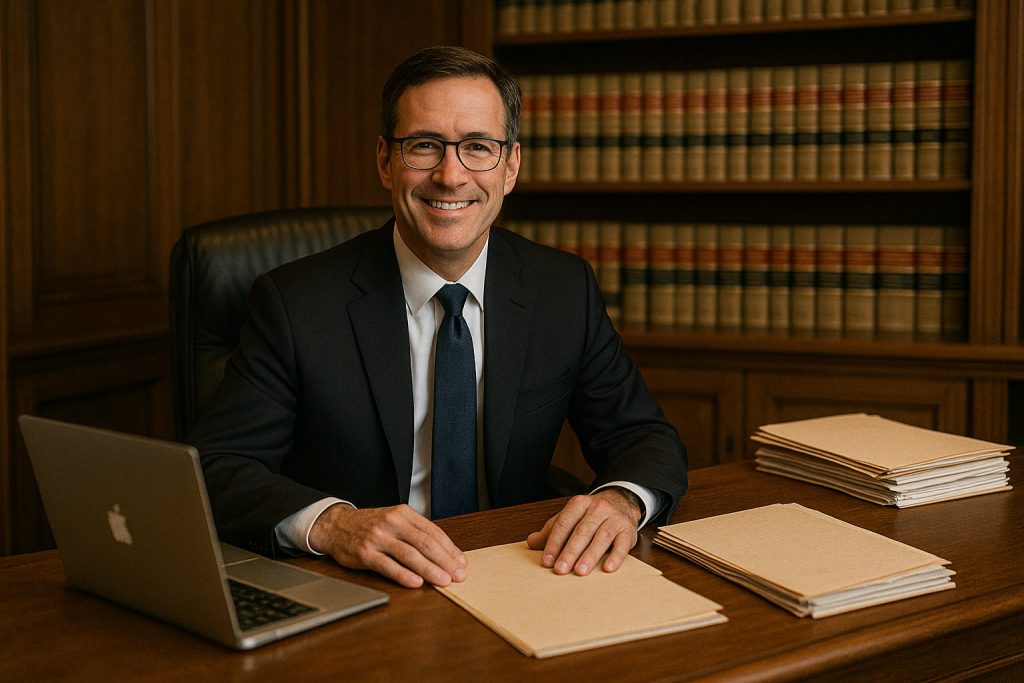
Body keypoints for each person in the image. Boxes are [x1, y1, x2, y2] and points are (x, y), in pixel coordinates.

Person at [192, 45, 686, 589]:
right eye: (424, 146)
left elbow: (643, 435)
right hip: (364, 586)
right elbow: (217, 468)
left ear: (511, 166)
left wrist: (619, 500)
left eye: (478, 147)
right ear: (385, 161)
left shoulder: (561, 289)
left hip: (518, 573)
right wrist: (335, 525)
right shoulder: (296, 302)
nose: (451, 176)